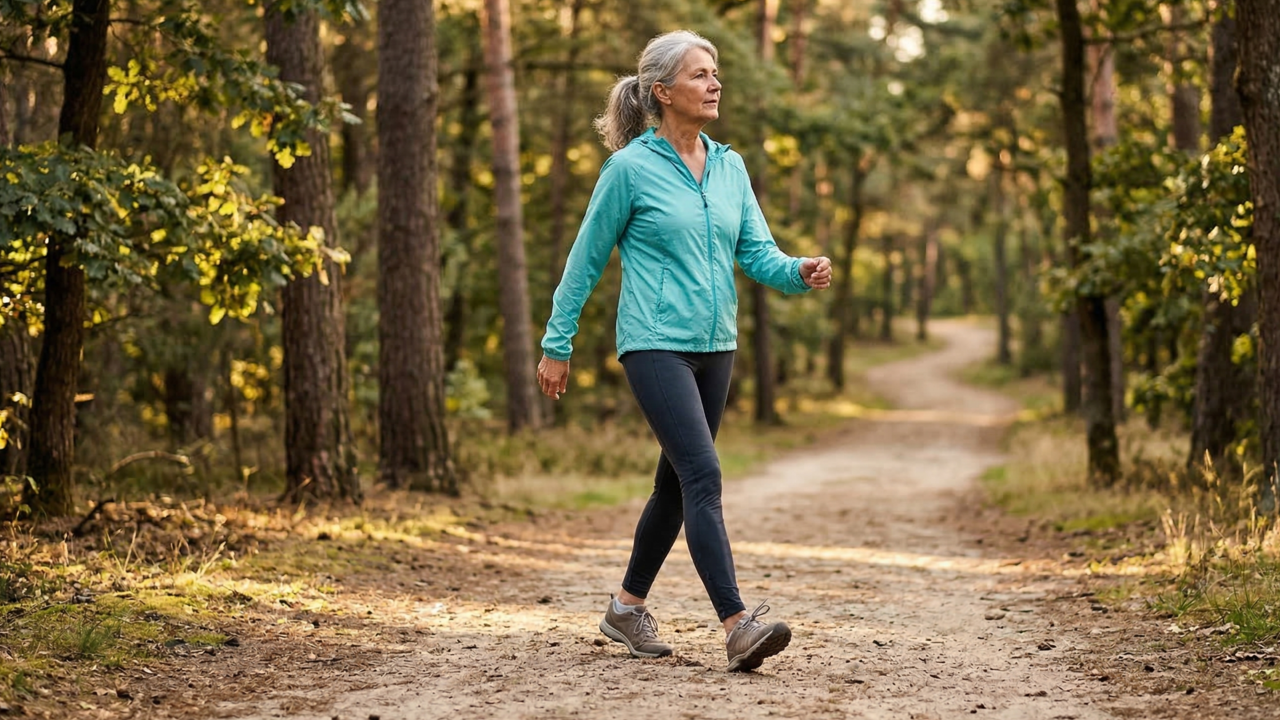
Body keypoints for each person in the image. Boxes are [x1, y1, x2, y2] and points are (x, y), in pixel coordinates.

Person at [536, 29, 832, 673]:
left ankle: (624, 607)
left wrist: (797, 270)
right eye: (700, 75)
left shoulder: (729, 166)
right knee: (704, 475)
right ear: (662, 92)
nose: (715, 83)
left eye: (716, 72)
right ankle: (736, 624)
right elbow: (584, 263)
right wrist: (556, 344)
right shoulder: (629, 170)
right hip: (654, 342)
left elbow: (756, 251)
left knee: (674, 485)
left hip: (715, 345)